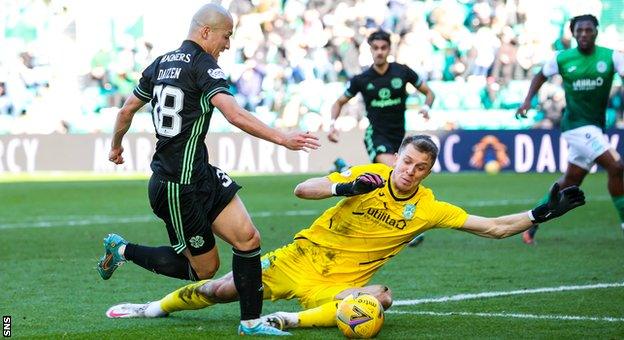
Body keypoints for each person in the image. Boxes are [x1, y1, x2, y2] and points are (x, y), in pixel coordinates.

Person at [104, 135, 585, 333]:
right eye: (406, 162)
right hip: (300, 258)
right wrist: (345, 184)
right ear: (395, 157)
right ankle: (149, 308)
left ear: (428, 171)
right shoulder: (370, 174)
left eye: (420, 168)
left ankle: (286, 323)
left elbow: (495, 227)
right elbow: (302, 189)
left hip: (338, 283)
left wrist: (541, 213)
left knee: (381, 297)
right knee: (219, 287)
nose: (409, 172)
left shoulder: (429, 208)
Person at [96, 3, 320, 336]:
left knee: (248, 238)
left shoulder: (160, 64)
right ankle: (123, 249)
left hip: (201, 173)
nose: (227, 45)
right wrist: (282, 138)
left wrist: (115, 145)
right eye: (226, 36)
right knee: (205, 269)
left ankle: (251, 323)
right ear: (205, 32)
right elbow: (235, 115)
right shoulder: (204, 66)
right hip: (176, 184)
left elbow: (127, 109)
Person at [516, 14, 624, 245]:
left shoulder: (611, 57)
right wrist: (527, 101)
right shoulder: (563, 58)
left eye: (588, 30)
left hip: (594, 127)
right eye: (579, 31)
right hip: (575, 126)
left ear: (596, 31)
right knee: (616, 166)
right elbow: (540, 75)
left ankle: (529, 227)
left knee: (569, 182)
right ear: (573, 34)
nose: (584, 34)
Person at [328, 29, 435, 247]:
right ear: (370, 50)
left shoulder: (402, 72)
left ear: (389, 48)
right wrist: (332, 125)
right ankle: (407, 227)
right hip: (376, 134)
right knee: (397, 172)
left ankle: (345, 168)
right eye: (375, 48)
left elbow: (429, 92)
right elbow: (338, 102)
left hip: (400, 137)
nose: (379, 52)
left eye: (383, 48)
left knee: (381, 179)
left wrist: (426, 107)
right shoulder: (361, 79)